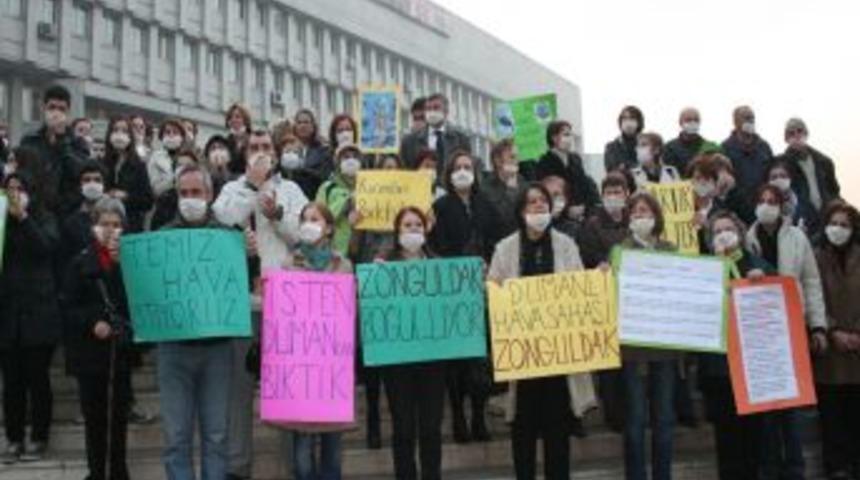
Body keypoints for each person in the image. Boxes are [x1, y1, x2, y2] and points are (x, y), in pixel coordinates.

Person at [487, 183, 597, 480]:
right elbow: (493, 293)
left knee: (557, 435)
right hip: (522, 361)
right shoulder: (505, 248)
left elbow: (581, 294)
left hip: (558, 361)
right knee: (522, 434)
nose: (538, 207)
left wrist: (597, 281)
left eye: (543, 202)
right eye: (531, 202)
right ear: (521, 210)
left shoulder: (566, 245)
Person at [156, 165, 236, 480]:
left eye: (196, 193)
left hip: (217, 350)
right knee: (176, 438)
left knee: (217, 436)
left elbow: (244, 286)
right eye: (184, 193)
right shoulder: (160, 239)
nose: (190, 199)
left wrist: (250, 255)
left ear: (210, 195)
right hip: (173, 351)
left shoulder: (229, 238)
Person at [745, 183, 828, 480]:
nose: (767, 205)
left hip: (792, 330)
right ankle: (769, 470)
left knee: (791, 410)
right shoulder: (747, 238)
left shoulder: (797, 238)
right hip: (758, 335)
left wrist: (818, 325)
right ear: (755, 204)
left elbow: (811, 282)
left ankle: (795, 470)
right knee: (765, 414)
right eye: (762, 200)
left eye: (773, 201)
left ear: (782, 206)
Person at [429, 150, 504, 443]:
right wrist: (462, 265)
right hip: (454, 293)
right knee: (456, 362)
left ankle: (478, 414)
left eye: (467, 167)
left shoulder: (486, 205)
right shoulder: (442, 206)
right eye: (457, 167)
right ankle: (458, 415)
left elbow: (501, 240)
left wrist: (489, 264)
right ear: (449, 174)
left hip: (483, 291)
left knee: (479, 359)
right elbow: (436, 246)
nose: (462, 171)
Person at [280, 202, 354, 480]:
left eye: (316, 219)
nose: (309, 224)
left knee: (332, 452)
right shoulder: (289, 264)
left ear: (330, 228)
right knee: (302, 457)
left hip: (332, 368)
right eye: (305, 219)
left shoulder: (343, 265)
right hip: (301, 369)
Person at [62, 197, 133, 480]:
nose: (110, 230)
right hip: (90, 356)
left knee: (118, 420)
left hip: (120, 354)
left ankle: (118, 472)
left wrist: (118, 268)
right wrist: (93, 322)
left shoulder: (130, 262)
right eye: (104, 224)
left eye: (116, 225)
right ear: (94, 226)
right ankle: (97, 472)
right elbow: (68, 306)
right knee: (95, 421)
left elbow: (134, 303)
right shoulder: (79, 262)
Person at [699, 210, 771, 480]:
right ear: (709, 239)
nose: (723, 234)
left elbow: (782, 299)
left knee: (754, 440)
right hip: (719, 371)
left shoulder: (758, 265)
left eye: (728, 229)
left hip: (753, 368)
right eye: (717, 231)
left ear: (740, 234)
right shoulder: (702, 270)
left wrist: (763, 281)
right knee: (726, 441)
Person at [0, 167, 61, 463]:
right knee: (11, 382)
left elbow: (46, 247)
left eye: (19, 187)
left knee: (38, 379)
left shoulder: (44, 217)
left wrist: (23, 218)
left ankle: (39, 436)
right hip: (8, 314)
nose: (13, 193)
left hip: (39, 312)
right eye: (9, 188)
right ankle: (13, 437)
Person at [383, 206, 447, 480]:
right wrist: (373, 283)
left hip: (432, 362)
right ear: (397, 233)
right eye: (407, 225)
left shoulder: (440, 266)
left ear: (426, 230)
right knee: (404, 428)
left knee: (431, 428)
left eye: (417, 225)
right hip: (398, 363)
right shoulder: (383, 267)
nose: (412, 230)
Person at [618, 192, 678, 480]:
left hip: (665, 350)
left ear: (656, 216)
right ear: (629, 219)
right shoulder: (619, 252)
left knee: (664, 419)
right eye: (636, 212)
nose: (641, 216)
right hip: (632, 351)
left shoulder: (670, 250)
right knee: (635, 420)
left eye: (646, 211)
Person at [576, 172, 631, 432]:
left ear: (627, 194)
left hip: (631, 300)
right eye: (609, 192)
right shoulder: (592, 224)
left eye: (618, 191)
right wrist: (603, 262)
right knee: (609, 364)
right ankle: (614, 414)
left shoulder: (635, 221)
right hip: (605, 298)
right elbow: (587, 255)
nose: (613, 196)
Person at [213, 129, 307, 270]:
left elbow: (302, 234)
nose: (260, 153)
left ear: (274, 154)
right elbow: (222, 221)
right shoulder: (231, 188)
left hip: (281, 279)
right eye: (254, 148)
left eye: (266, 147)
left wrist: (278, 216)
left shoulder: (291, 189)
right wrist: (252, 186)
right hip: (242, 276)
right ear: (246, 154)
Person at [814, 201, 860, 480]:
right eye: (834, 224)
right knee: (832, 417)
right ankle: (836, 468)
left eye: (844, 225)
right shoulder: (817, 257)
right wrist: (833, 330)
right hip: (829, 351)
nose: (838, 229)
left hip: (857, 351)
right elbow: (813, 296)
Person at [18, 84, 89, 217]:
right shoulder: (30, 140)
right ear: (43, 108)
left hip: (66, 214)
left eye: (62, 109)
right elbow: (22, 175)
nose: (56, 113)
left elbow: (79, 173)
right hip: (35, 212)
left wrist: (62, 140)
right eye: (52, 107)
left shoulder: (78, 143)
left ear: (68, 112)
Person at [773, 118, 841, 235]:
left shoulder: (824, 161)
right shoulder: (781, 164)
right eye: (791, 133)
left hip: (825, 218)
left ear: (806, 133)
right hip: (799, 221)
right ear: (786, 138)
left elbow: (834, 190)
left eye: (799, 131)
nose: (796, 135)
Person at [536, 120, 600, 219]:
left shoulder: (575, 158)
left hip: (580, 209)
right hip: (559, 214)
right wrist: (566, 210)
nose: (569, 139)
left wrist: (584, 207)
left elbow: (582, 183)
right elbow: (548, 192)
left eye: (570, 135)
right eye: (566, 135)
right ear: (554, 138)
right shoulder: (544, 162)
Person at [102, 116, 154, 233]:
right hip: (105, 226)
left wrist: (126, 196)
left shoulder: (138, 165)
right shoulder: (102, 163)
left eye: (124, 131)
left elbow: (148, 201)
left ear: (130, 136)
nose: (119, 134)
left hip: (131, 226)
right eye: (115, 130)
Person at [400, 93, 472, 175]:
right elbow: (404, 172)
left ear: (446, 112)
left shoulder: (461, 140)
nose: (432, 112)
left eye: (436, 108)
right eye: (428, 109)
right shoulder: (409, 142)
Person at [720, 106, 773, 214]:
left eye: (752, 118)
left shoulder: (764, 147)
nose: (751, 121)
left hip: (763, 206)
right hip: (736, 208)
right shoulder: (725, 148)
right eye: (746, 118)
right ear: (735, 122)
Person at [315, 144, 363, 257]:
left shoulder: (371, 188)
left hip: (362, 252)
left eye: (355, 157)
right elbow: (318, 217)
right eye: (346, 157)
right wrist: (346, 202)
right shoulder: (327, 188)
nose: (351, 160)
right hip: (334, 252)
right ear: (338, 162)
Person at [60, 160, 108, 264]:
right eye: (87, 180)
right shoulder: (71, 222)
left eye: (97, 180)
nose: (92, 184)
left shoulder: (115, 215)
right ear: (80, 185)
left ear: (104, 184)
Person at [481, 138, 526, 237]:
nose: (516, 161)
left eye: (517, 157)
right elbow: (503, 219)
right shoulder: (486, 188)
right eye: (512, 157)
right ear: (498, 161)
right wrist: (511, 190)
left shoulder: (523, 183)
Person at [150, 147, 200, 231]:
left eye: (188, 165)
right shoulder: (165, 200)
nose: (183, 168)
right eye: (179, 165)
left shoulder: (203, 195)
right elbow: (156, 229)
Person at [765, 159, 819, 235]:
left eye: (783, 176)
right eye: (774, 177)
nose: (779, 180)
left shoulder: (806, 205)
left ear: (790, 179)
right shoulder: (764, 207)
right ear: (768, 182)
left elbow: (816, 230)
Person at [663, 107, 721, 175]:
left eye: (696, 120)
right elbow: (669, 174)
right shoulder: (670, 148)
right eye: (688, 120)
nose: (692, 123)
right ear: (680, 122)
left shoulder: (710, 146)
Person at [295, 108, 333, 196]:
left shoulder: (324, 150)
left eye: (306, 122)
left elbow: (324, 176)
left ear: (313, 126)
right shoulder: (288, 149)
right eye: (299, 122)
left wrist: (303, 170)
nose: (302, 126)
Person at [147, 118, 189, 199]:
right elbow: (154, 188)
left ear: (182, 137)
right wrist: (174, 180)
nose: (171, 135)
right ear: (161, 137)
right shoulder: (155, 157)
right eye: (167, 132)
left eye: (175, 132)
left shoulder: (188, 158)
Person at [604, 105, 644, 173]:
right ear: (620, 122)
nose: (628, 123)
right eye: (625, 119)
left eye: (632, 119)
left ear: (639, 122)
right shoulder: (612, 147)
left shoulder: (646, 145)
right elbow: (613, 170)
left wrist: (625, 166)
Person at [225, 103, 252, 176]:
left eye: (237, 117)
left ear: (245, 120)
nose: (233, 120)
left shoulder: (252, 140)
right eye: (230, 117)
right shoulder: (225, 142)